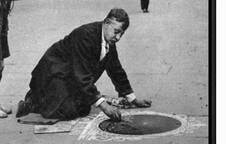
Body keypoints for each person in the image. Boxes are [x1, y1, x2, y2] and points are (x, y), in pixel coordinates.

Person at [16, 8, 151, 122]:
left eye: (122, 33)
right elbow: (82, 75)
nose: (118, 37)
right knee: (67, 111)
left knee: (83, 108)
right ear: (106, 23)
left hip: (69, 76)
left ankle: (51, 98)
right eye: (116, 32)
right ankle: (33, 101)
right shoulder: (86, 36)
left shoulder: (107, 39)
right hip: (51, 74)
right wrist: (104, 106)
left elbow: (116, 70)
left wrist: (132, 98)